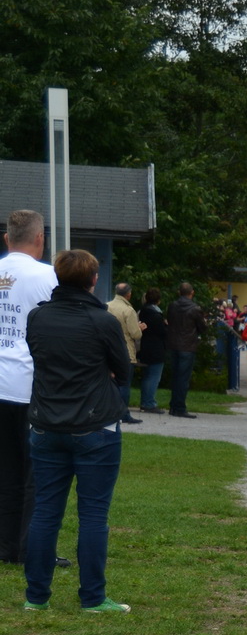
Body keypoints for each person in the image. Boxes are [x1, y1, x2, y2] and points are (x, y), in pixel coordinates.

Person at [22, 249, 131, 612]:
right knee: (94, 514)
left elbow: (41, 356)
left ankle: (36, 598)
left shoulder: (38, 317)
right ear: (93, 280)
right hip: (95, 425)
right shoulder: (102, 322)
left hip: (46, 422)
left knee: (45, 512)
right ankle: (93, 598)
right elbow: (123, 369)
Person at [0, 209, 58, 565]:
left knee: (5, 469)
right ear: (40, 239)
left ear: (7, 238)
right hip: (29, 383)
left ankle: (5, 545)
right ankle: (28, 548)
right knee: (36, 471)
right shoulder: (47, 276)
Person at [164, 282, 205, 418]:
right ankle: (180, 407)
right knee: (183, 378)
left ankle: (173, 406)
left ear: (179, 292)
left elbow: (169, 321)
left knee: (175, 376)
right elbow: (202, 327)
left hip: (173, 344)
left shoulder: (172, 306)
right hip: (187, 346)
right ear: (191, 293)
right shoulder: (195, 309)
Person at [106, 283, 144, 424]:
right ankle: (123, 414)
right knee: (124, 384)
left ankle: (110, 411)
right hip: (125, 351)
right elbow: (135, 334)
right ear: (128, 294)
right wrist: (140, 328)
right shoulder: (129, 310)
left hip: (108, 350)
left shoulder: (107, 306)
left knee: (111, 384)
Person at [136, 287, 167, 415]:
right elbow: (162, 332)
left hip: (145, 346)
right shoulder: (156, 314)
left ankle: (145, 401)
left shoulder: (143, 311)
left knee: (147, 376)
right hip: (156, 348)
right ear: (158, 300)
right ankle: (149, 402)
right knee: (154, 376)